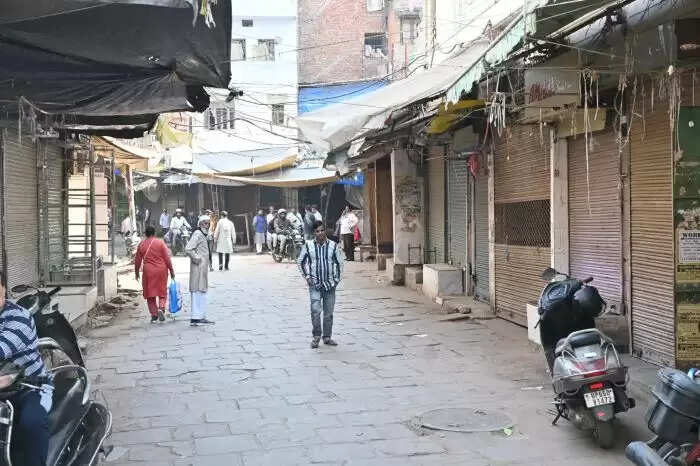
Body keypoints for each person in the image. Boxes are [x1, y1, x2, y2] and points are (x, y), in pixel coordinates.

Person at [0, 271, 52, 466]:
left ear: (3, 288)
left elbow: (2, 348)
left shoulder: (18, 317)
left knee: (32, 422)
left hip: (31, 387)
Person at [297, 221, 344, 348]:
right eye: (317, 231)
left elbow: (340, 263)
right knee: (315, 311)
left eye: (322, 230)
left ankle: (327, 337)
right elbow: (300, 261)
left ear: (325, 231)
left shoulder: (333, 246)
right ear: (314, 233)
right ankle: (316, 336)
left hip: (330, 285)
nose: (320, 233)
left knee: (328, 313)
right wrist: (307, 277)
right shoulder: (308, 246)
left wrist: (336, 280)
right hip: (315, 285)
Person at [134, 226, 175, 323]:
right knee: (162, 291)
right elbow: (167, 258)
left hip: (148, 271)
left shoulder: (141, 244)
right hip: (161, 270)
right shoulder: (160, 243)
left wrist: (136, 273)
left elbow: (137, 260)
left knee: (150, 294)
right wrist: (171, 270)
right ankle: (161, 308)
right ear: (154, 233)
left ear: (145, 234)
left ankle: (154, 315)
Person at [185, 216, 214, 326]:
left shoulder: (203, 234)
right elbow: (188, 249)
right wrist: (197, 258)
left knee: (201, 291)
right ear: (200, 224)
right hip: (198, 267)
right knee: (197, 291)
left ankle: (200, 316)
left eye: (208, 223)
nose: (207, 225)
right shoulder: (197, 233)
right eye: (205, 223)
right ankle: (196, 318)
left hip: (202, 268)